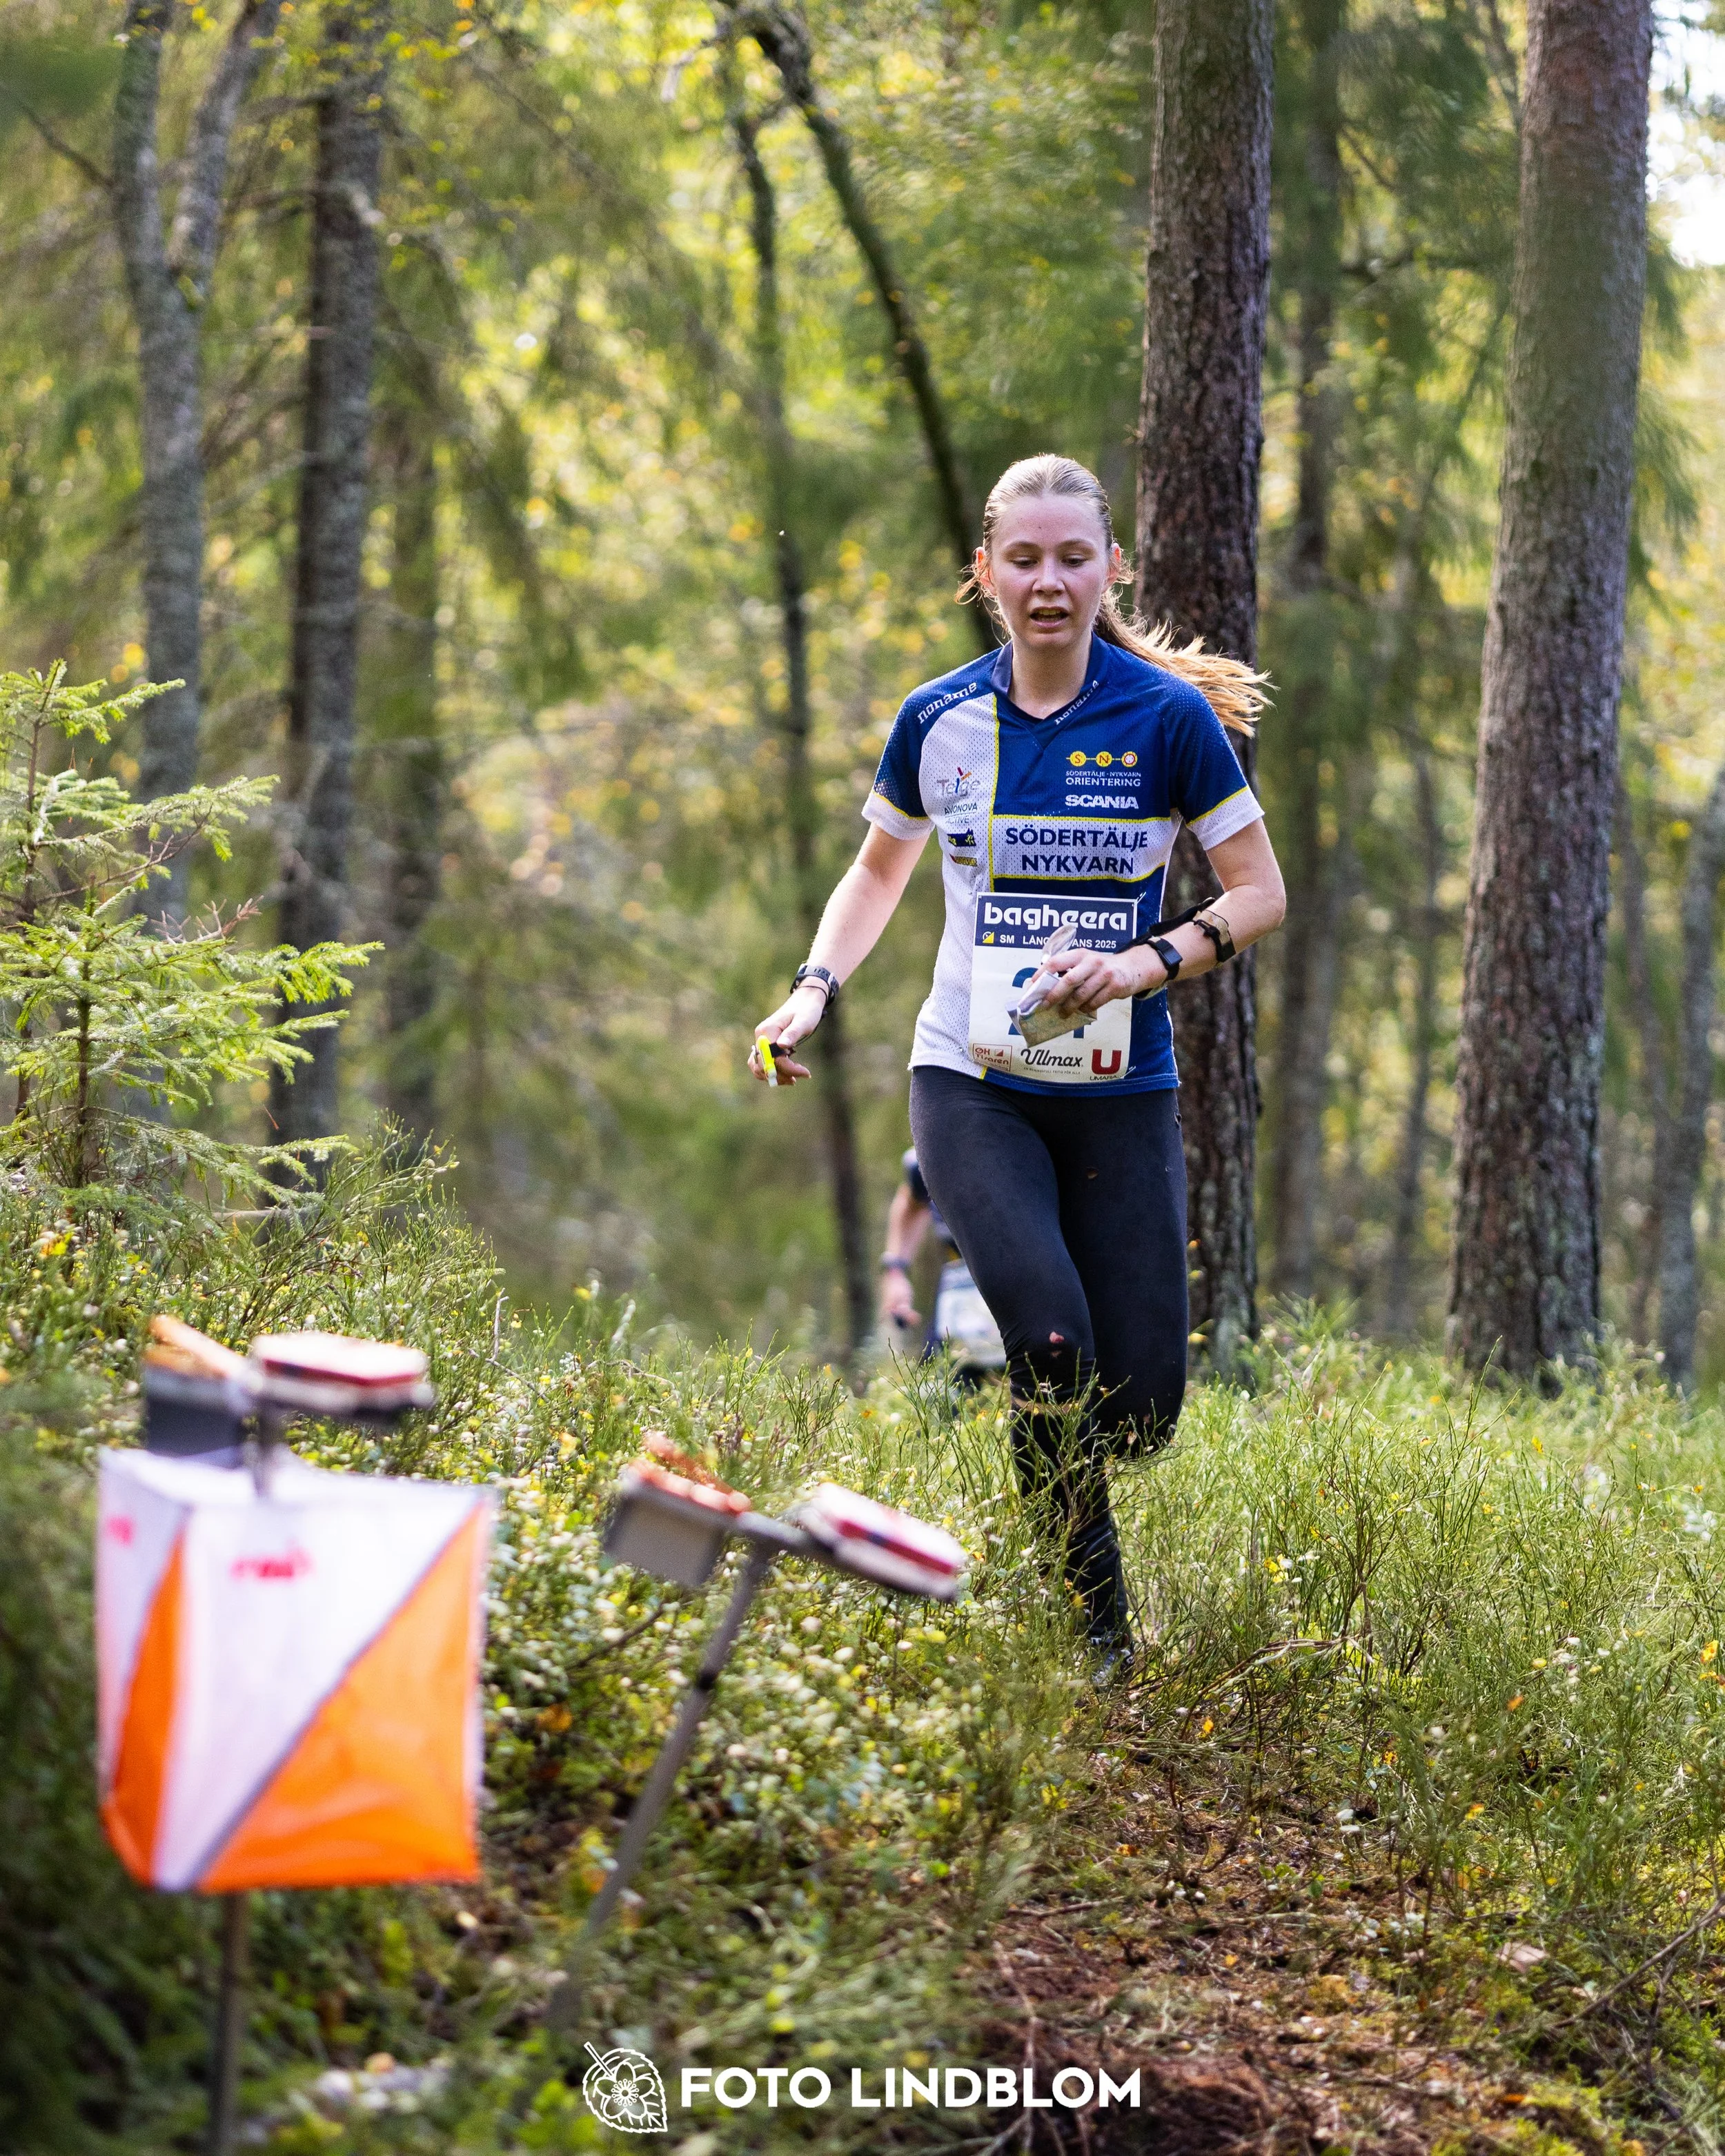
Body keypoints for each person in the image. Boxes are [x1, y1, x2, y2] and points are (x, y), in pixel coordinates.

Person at [749, 454, 1285, 1674]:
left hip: (1118, 1092)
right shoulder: (938, 720)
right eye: (1025, 559)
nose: (1050, 582)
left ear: (1112, 569)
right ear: (985, 573)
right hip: (971, 1086)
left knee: (1139, 1407)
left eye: (1074, 557)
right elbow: (879, 871)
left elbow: (1260, 895)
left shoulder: (1168, 722)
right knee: (1046, 1342)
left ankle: (1054, 1504)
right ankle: (1093, 1625)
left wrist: (1143, 963)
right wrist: (813, 989)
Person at [879, 1148, 1007, 1378]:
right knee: (940, 1401)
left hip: (1031, 1309)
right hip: (957, 1312)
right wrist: (896, 1271)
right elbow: (911, 1198)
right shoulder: (929, 1153)